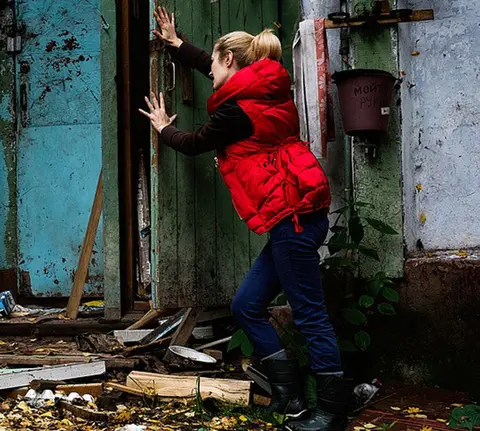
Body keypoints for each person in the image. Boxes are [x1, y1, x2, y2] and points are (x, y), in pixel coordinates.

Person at [140, 7, 347, 431]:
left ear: (231, 60)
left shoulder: (237, 112)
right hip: (297, 213)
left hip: (292, 217)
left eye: (216, 65)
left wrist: (162, 128)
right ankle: (288, 395)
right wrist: (177, 45)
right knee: (247, 305)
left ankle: (331, 411)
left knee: (310, 315)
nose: (210, 72)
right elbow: (213, 66)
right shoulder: (266, 87)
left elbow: (194, 142)